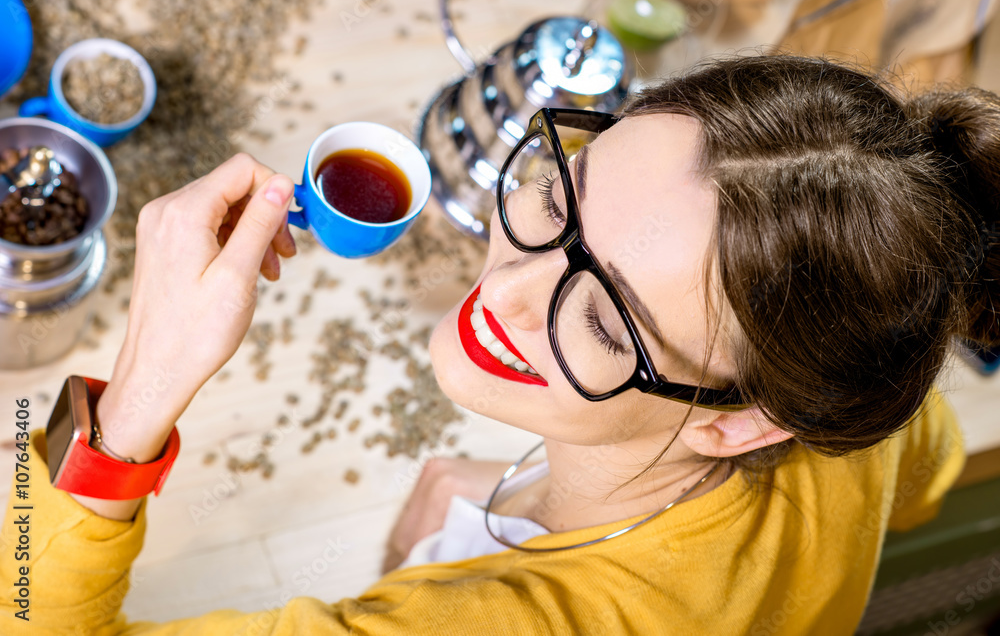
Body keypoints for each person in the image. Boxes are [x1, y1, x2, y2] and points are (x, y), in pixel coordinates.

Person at [2, 55, 996, 635]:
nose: (503, 291)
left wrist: (133, 397)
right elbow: (927, 470)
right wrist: (526, 492)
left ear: (740, 426)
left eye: (606, 318)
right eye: (559, 199)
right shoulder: (865, 404)